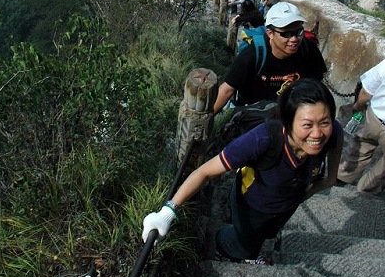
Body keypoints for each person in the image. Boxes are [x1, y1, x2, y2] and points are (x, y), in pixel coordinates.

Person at [143, 80, 343, 263]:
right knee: (242, 244)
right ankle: (219, 241)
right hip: (251, 205)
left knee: (267, 235)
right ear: (287, 122)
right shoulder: (261, 140)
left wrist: (299, 197)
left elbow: (330, 179)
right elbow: (204, 172)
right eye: (307, 125)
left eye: (324, 122)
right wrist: (168, 212)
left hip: (286, 207)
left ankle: (252, 250)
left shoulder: (333, 133)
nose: (317, 134)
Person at [214, 2, 327, 114]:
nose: (294, 39)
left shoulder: (308, 50)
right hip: (254, 113)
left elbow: (317, 85)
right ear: (270, 34)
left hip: (293, 112)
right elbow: (227, 90)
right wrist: (206, 120)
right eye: (286, 34)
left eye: (298, 32)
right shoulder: (252, 54)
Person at [337, 57, 385, 194]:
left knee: (359, 147)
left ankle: (341, 177)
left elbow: (366, 92)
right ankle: (366, 191)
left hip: (374, 118)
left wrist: (357, 106)